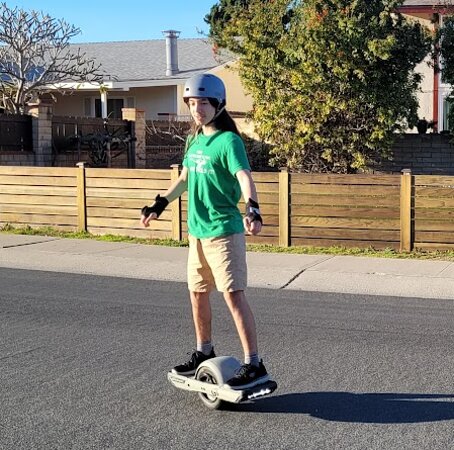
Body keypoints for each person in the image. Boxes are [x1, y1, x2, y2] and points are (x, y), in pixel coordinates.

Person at [140, 73, 269, 389]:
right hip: (196, 233)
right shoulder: (194, 140)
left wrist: (252, 208)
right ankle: (203, 351)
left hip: (224, 231)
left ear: (218, 104)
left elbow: (244, 176)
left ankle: (254, 363)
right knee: (197, 294)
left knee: (233, 296)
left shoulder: (229, 141)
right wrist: (160, 203)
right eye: (192, 103)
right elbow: (185, 178)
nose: (197, 109)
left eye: (203, 103)